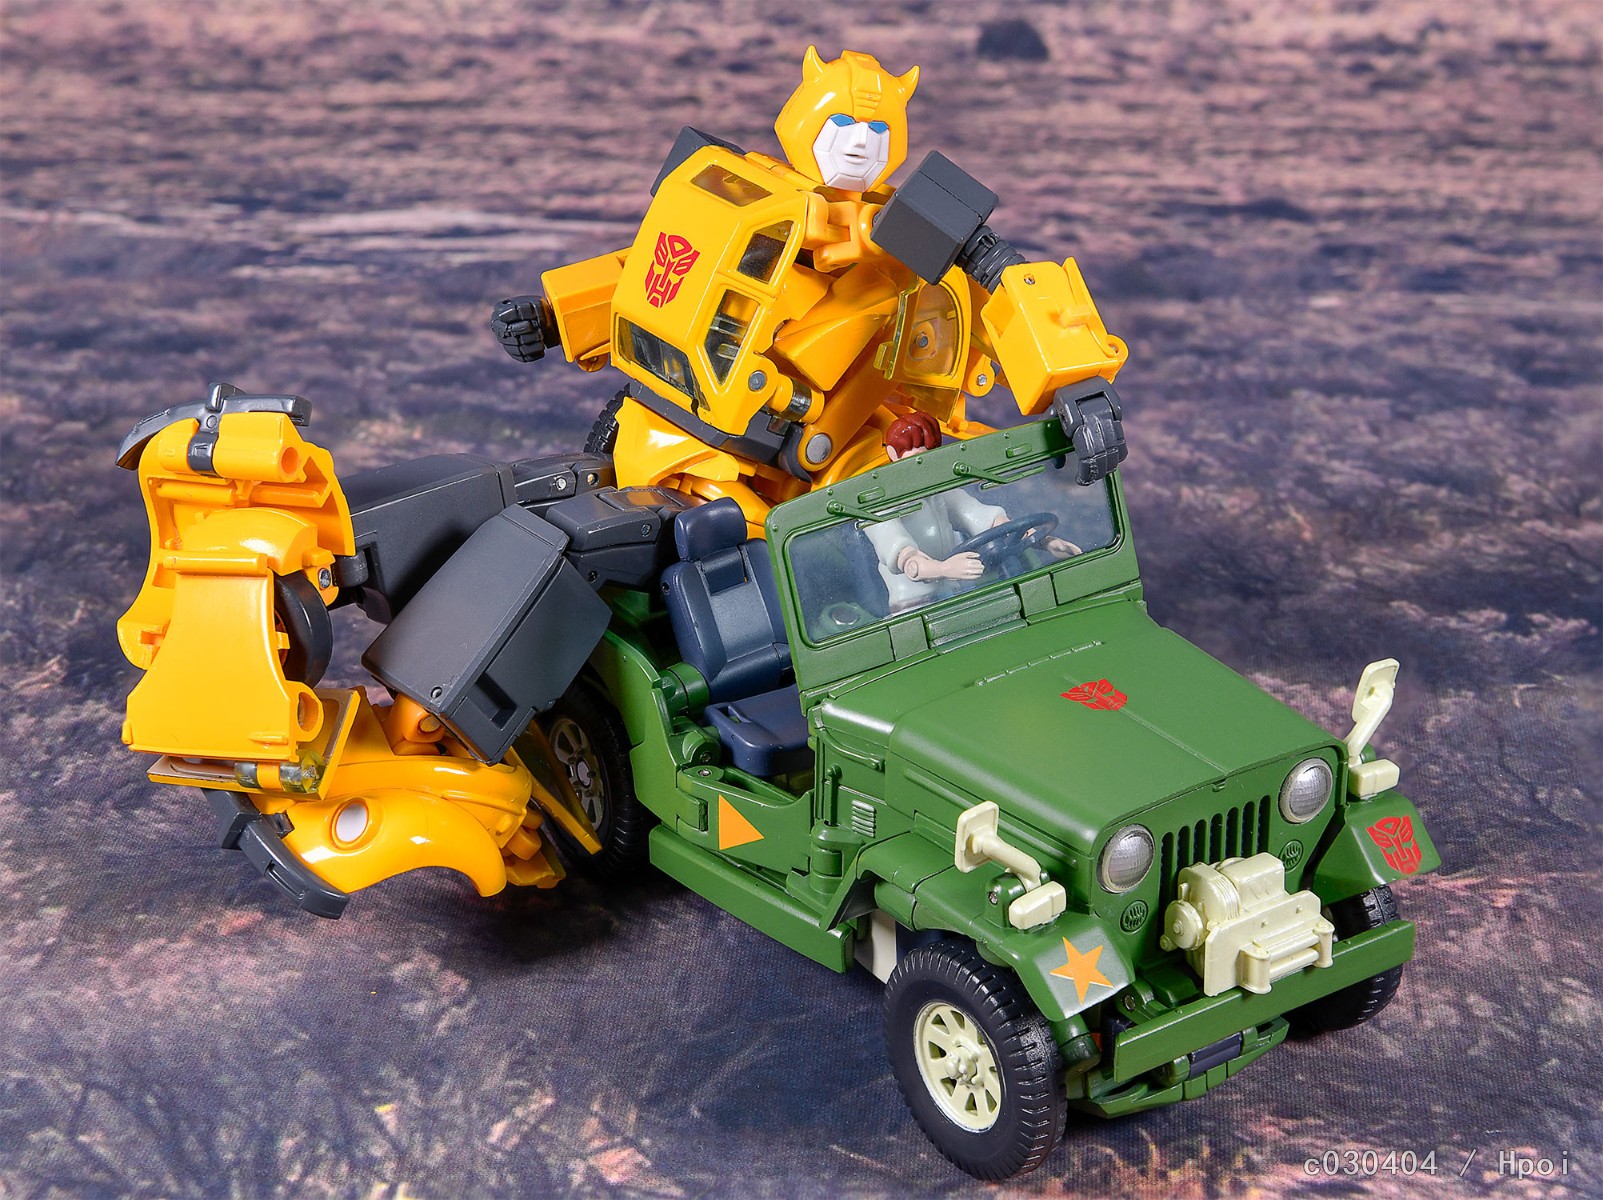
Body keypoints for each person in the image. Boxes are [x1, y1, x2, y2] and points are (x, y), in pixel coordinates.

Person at [864, 414, 1079, 612]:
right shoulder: (880, 508)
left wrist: (1044, 541)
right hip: (914, 610)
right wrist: (944, 568)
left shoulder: (939, 493)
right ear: (893, 455)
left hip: (954, 595)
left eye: (929, 460)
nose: (923, 470)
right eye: (916, 460)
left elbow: (989, 520)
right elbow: (911, 564)